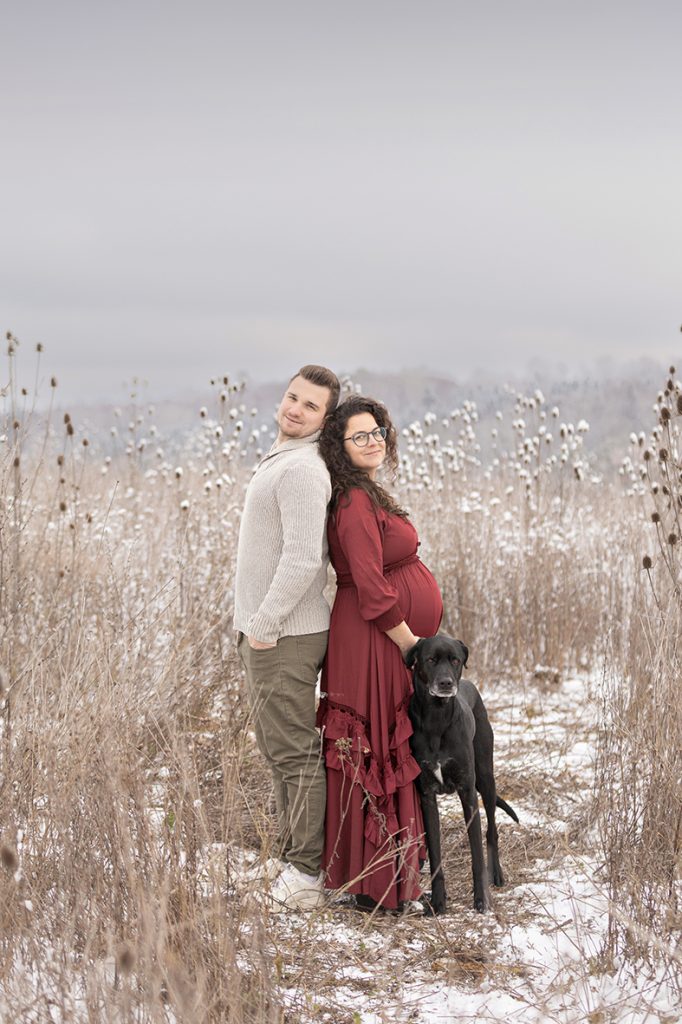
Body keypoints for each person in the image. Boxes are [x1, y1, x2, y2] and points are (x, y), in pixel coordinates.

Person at [317, 395, 443, 911]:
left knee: (386, 747)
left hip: (381, 638)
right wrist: (412, 646)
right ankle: (376, 883)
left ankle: (389, 876)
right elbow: (371, 588)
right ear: (340, 446)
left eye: (377, 432)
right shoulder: (352, 501)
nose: (372, 442)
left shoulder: (368, 492)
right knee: (374, 748)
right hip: (374, 640)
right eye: (359, 436)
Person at [234, 364, 340, 911]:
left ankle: (306, 875)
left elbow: (303, 559)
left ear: (325, 419)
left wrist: (265, 625)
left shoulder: (302, 469)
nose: (295, 409)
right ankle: (288, 854)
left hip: (285, 635)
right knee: (278, 750)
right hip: (270, 632)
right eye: (293, 397)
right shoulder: (285, 457)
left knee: (295, 752)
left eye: (311, 405)